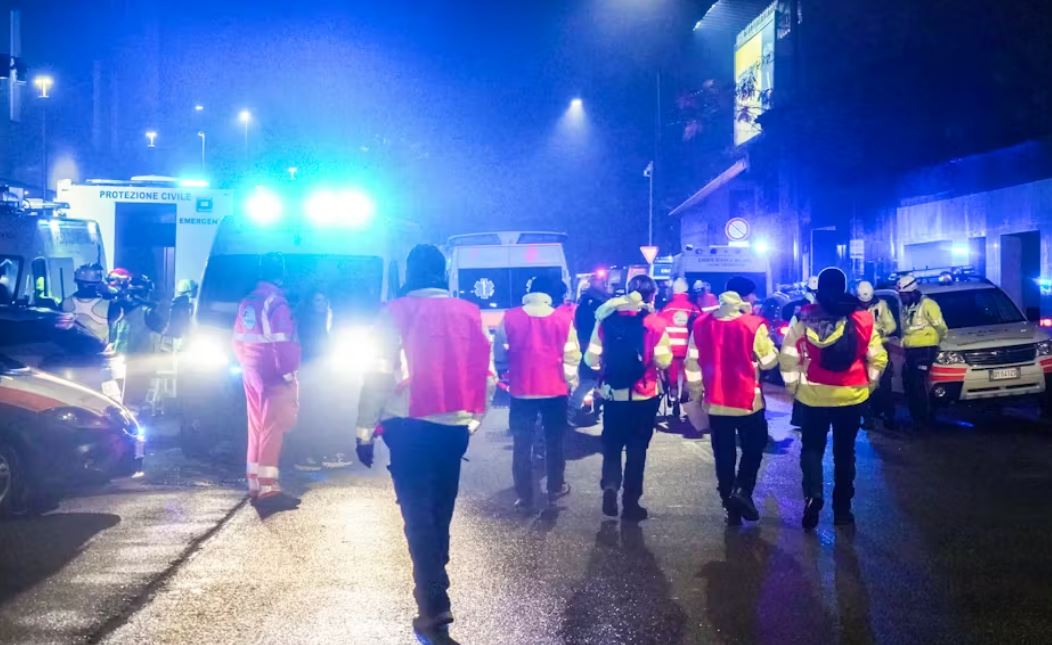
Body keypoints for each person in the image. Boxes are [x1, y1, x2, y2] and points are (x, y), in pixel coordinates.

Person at [355, 244, 495, 645]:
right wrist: (474, 420)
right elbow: (484, 372)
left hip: (408, 427)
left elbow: (377, 375)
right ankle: (436, 582)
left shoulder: (395, 312)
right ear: (443, 272)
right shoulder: (469, 312)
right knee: (440, 509)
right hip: (453, 427)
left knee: (417, 513)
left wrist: (364, 430)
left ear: (410, 272)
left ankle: (433, 601)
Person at [779, 267, 887, 529]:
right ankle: (842, 511)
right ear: (844, 287)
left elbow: (788, 356)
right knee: (845, 453)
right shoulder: (862, 319)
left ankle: (813, 494)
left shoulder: (804, 318)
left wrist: (793, 388)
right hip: (850, 396)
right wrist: (870, 385)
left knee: (812, 448)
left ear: (819, 289)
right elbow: (878, 358)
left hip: (813, 396)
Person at [685, 276, 778, 525]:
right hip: (748, 402)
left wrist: (696, 391)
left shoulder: (701, 323)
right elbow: (769, 362)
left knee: (723, 454)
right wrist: (769, 350)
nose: (755, 298)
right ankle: (742, 491)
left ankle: (729, 504)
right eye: (752, 294)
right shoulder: (752, 324)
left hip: (715, 401)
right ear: (743, 297)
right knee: (754, 447)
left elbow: (692, 362)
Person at [584, 275, 672, 522]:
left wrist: (606, 369)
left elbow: (591, 358)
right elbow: (664, 360)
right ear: (651, 295)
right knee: (637, 448)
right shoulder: (655, 323)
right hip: (644, 395)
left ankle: (611, 485)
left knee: (612, 445)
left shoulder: (606, 318)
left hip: (613, 395)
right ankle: (631, 504)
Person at [494, 274, 580, 512]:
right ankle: (555, 486)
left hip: (521, 391)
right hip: (555, 391)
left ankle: (524, 495)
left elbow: (500, 352)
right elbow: (572, 355)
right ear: (550, 295)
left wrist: (506, 371)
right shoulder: (563, 319)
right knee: (554, 441)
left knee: (522, 443)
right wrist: (568, 381)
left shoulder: (510, 317)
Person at [232, 253, 302, 514]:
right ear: (281, 274)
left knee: (256, 427)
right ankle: (269, 489)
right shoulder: (276, 302)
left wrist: (246, 364)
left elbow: (237, 339)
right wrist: (288, 374)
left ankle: (254, 483)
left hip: (250, 369)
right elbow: (283, 343)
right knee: (273, 427)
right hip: (272, 372)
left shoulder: (248, 301)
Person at [291, 290, 336, 472]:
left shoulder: (328, 318)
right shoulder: (306, 322)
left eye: (324, 299)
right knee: (309, 414)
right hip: (309, 372)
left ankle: (321, 453)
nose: (322, 303)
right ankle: (305, 455)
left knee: (323, 414)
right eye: (318, 300)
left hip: (324, 373)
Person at [897, 275, 948, 427]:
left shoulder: (928, 305)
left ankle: (925, 417)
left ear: (912, 292)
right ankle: (917, 416)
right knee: (909, 382)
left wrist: (936, 342)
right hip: (911, 350)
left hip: (925, 350)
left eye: (904, 295)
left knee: (918, 383)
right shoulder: (907, 307)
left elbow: (941, 327)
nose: (902, 298)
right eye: (900, 295)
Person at [111, 274, 166, 412]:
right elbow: (164, 329)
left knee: (125, 399)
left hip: (124, 362)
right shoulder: (147, 312)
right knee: (132, 400)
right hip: (135, 364)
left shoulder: (119, 310)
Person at [856, 281, 897, 429]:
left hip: (880, 347)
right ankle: (868, 418)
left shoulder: (881, 305)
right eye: (863, 302)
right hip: (861, 349)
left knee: (885, 383)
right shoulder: (853, 308)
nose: (865, 304)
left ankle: (889, 417)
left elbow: (891, 325)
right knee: (863, 384)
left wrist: (881, 332)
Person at [658, 278, 701, 419]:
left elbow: (659, 327)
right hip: (689, 349)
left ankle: (674, 397)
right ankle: (686, 397)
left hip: (671, 349)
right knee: (690, 375)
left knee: (672, 376)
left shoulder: (666, 307)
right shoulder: (693, 307)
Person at [61, 263, 114, 343]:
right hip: (99, 349)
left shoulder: (64, 303)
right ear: (98, 283)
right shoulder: (109, 305)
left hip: (71, 349)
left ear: (77, 282)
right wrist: (108, 295)